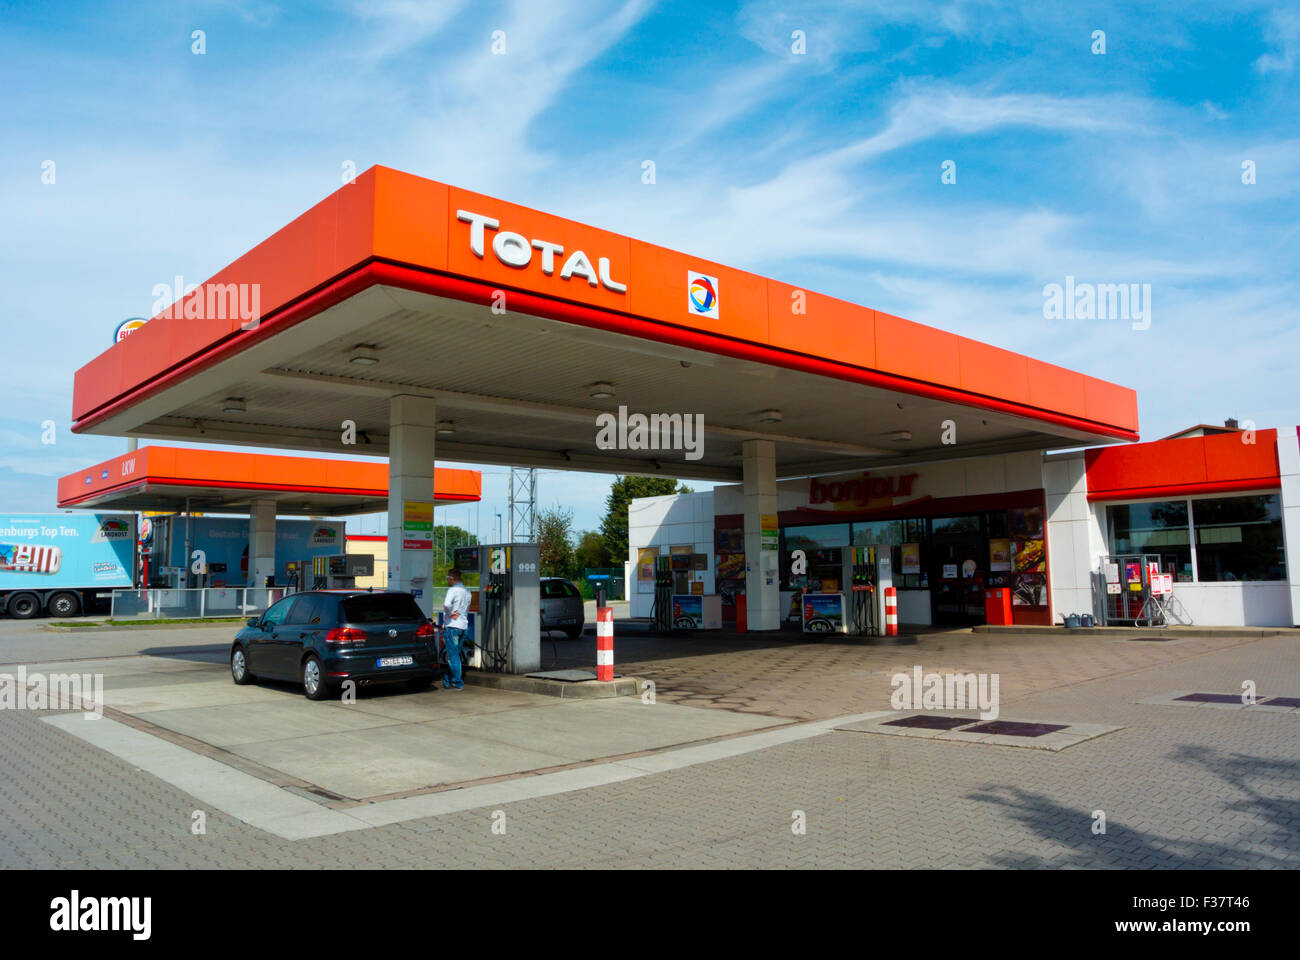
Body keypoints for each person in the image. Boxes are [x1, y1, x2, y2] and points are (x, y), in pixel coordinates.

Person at [441, 568, 471, 689]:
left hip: (452, 626)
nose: (447, 580)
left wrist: (449, 614)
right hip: (463, 626)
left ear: (451, 578)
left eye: (447, 578)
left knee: (453, 657)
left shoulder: (452, 590)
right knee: (455, 656)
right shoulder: (467, 592)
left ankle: (457, 682)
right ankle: (447, 680)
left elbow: (447, 605)